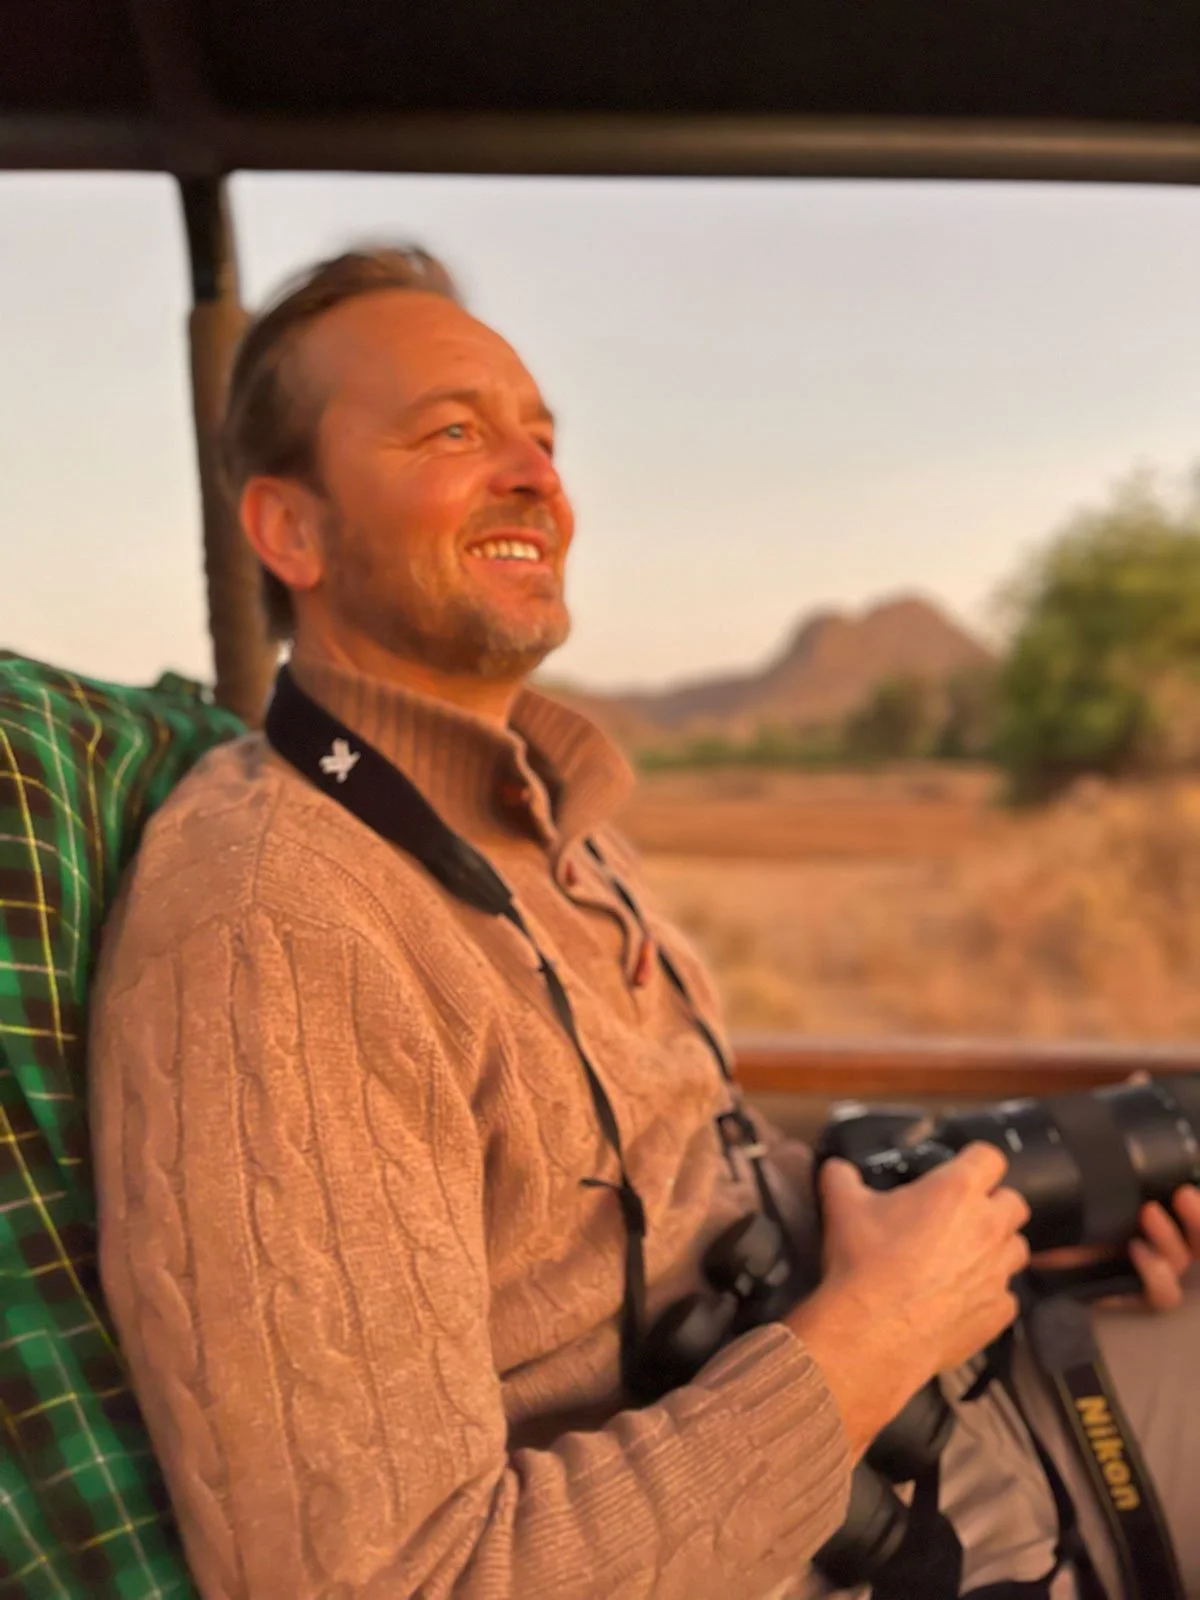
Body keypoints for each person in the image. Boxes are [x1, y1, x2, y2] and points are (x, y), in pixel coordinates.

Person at [88, 247, 1200, 1600]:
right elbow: (385, 1583)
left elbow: (699, 1183)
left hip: (980, 1400)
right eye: (452, 430)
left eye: (541, 439)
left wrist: (993, 1240)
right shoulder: (276, 924)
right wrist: (869, 1342)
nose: (535, 477)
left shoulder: (561, 821)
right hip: (892, 1524)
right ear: (292, 532)